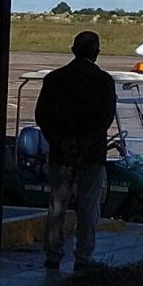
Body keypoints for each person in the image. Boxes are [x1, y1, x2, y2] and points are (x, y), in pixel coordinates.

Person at [35, 31, 116, 271]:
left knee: (57, 206)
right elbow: (106, 118)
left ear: (73, 50)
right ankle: (83, 257)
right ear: (97, 52)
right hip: (92, 154)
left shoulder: (54, 79)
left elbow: (42, 116)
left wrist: (59, 141)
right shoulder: (103, 81)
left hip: (61, 152)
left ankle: (53, 254)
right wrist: (85, 142)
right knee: (89, 207)